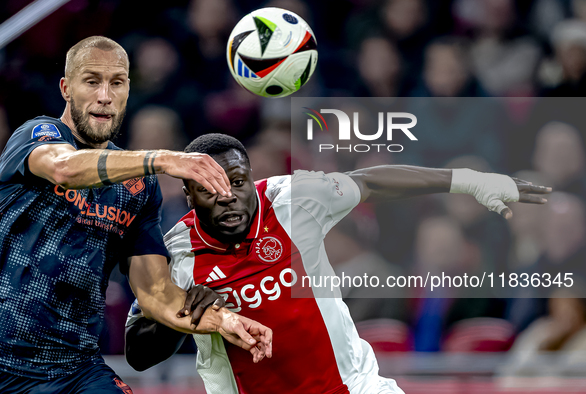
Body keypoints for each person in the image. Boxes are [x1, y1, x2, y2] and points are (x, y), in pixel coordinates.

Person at [125, 133, 551, 394]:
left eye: (238, 183)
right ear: (187, 193)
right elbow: (139, 354)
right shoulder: (173, 253)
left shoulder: (295, 199)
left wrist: (469, 181)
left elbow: (373, 182)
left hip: (355, 387)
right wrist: (177, 313)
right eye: (209, 187)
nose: (228, 196)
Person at [0, 36, 271, 394]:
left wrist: (224, 320)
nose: (105, 96)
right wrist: (165, 159)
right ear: (66, 88)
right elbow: (64, 167)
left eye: (116, 83)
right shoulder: (38, 135)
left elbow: (156, 293)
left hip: (77, 369)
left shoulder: (138, 190)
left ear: (128, 88)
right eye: (92, 81)